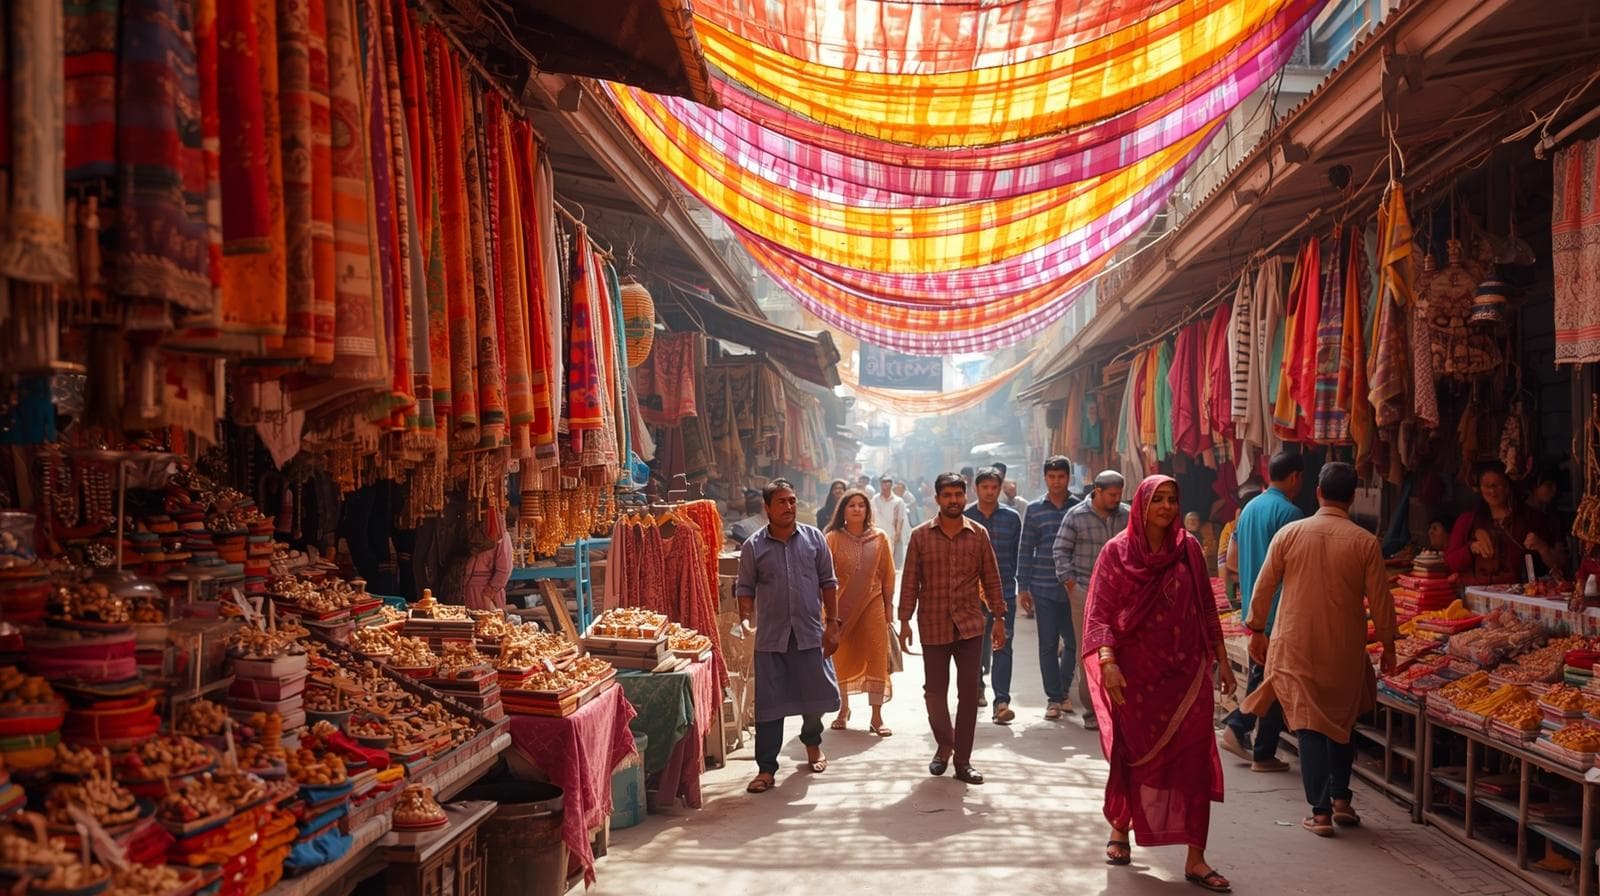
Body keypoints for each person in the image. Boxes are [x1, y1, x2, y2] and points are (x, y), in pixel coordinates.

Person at [1083, 475, 1236, 892]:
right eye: (1159, 500)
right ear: (1142, 506)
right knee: (1133, 756)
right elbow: (1099, 615)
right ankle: (1120, 826)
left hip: (1187, 674)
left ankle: (1196, 858)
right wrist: (1109, 662)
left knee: (1194, 762)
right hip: (1135, 677)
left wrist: (1222, 658)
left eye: (1173, 499)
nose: (1167, 507)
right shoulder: (1116, 554)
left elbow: (1206, 605)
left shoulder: (1187, 548)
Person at [1244, 462, 1396, 837]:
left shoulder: (1291, 533)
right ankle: (1342, 799)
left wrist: (1255, 630)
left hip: (1295, 642)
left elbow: (1264, 587)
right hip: (1344, 646)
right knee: (1342, 721)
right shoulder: (1365, 542)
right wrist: (1390, 644)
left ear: (1318, 492)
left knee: (1308, 724)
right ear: (1353, 497)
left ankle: (1321, 812)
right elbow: (1381, 601)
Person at [899, 473, 1008, 786]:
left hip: (970, 625)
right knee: (934, 693)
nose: (953, 501)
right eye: (947, 495)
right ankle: (945, 743)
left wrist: (1000, 617)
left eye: (958, 495)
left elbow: (991, 577)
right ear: (937, 499)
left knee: (969, 692)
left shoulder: (978, 534)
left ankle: (962, 760)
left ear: (965, 497)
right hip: (933, 623)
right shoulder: (920, 536)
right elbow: (910, 581)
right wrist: (904, 620)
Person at [735, 479, 842, 794]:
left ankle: (812, 742)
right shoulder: (753, 546)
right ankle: (766, 769)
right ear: (767, 508)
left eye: (792, 501)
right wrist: (744, 620)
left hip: (809, 632)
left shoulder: (814, 539)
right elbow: (745, 588)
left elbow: (828, 581)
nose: (789, 507)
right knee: (770, 704)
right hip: (771, 637)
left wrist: (833, 624)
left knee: (816, 696)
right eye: (781, 502)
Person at [1220, 451, 1304, 773]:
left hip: (1253, 609)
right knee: (1273, 680)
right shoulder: (1292, 514)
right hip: (1277, 611)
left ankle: (1256, 745)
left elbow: (1231, 561)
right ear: (1295, 477)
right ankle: (1241, 728)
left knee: (1268, 678)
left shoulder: (1250, 508)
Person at [1051, 470, 1129, 732]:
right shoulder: (1075, 516)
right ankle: (1092, 710)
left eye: (1119, 494)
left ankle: (1121, 706)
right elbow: (1060, 551)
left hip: (1122, 594)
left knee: (1123, 650)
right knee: (1091, 650)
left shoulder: (1127, 515)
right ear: (1097, 490)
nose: (1116, 499)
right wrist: (1071, 584)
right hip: (1085, 591)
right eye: (1111, 494)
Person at [824, 490, 897, 737]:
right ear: (842, 510)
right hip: (840, 607)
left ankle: (877, 717)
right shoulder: (832, 538)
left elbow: (888, 575)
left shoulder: (879, 537)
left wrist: (889, 607)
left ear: (867, 510)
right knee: (841, 655)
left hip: (873, 603)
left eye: (861, 505)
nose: (856, 509)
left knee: (876, 654)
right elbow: (823, 576)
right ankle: (843, 709)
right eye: (851, 505)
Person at [1018, 456, 1078, 720]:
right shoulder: (1034, 509)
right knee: (1048, 644)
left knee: (1074, 643)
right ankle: (1054, 698)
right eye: (1052, 477)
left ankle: (1064, 690)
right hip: (1042, 587)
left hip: (1074, 587)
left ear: (1068, 478)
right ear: (1045, 479)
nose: (1056, 482)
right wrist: (1024, 586)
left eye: (1061, 477)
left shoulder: (1079, 507)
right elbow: (1026, 547)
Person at [1445, 461, 1566, 583]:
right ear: (1480, 489)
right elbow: (1451, 562)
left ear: (1508, 487)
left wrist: (1542, 547)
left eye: (1497, 485)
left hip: (1518, 594)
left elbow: (1558, 563)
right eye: (1487, 486)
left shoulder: (1530, 518)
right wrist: (1471, 548)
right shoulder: (1467, 520)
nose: (1492, 491)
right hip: (1477, 594)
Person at [965, 468, 1022, 723]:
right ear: (976, 489)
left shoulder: (1011, 518)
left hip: (1005, 591)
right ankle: (977, 686)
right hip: (970, 593)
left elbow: (1016, 554)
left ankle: (1002, 701)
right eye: (984, 487)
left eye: (994, 487)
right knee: (973, 644)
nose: (989, 492)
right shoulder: (965, 516)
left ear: (1000, 489)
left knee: (1003, 645)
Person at [461, 513, 513, 612]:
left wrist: (488, 594)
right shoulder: (466, 533)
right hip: (464, 591)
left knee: (487, 625)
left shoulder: (501, 535)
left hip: (485, 592)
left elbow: (504, 570)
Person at [872, 476, 910, 566]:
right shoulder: (874, 499)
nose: (886, 485)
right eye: (883, 482)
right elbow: (871, 516)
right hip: (877, 531)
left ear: (891, 484)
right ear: (880, 484)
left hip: (891, 532)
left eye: (888, 482)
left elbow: (900, 518)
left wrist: (897, 533)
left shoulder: (898, 501)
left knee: (890, 557)